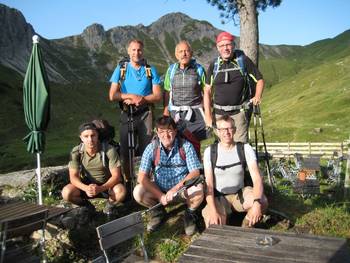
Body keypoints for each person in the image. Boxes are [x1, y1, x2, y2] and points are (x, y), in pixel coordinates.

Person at [133, 116, 204, 236]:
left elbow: (195, 172)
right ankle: (158, 213)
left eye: (169, 130)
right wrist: (160, 195)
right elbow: (142, 177)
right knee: (138, 192)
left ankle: (189, 214)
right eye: (161, 131)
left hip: (181, 190)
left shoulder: (185, 146)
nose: (166, 135)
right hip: (159, 190)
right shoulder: (152, 148)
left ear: (176, 131)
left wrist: (175, 189)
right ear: (157, 132)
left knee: (198, 189)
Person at [109, 39, 162, 190]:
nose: (136, 53)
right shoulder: (121, 69)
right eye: (133, 50)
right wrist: (129, 96)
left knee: (148, 150)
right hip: (127, 114)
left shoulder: (150, 70)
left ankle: (146, 184)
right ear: (128, 51)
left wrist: (143, 99)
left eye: (139, 50)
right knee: (125, 151)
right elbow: (112, 95)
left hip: (146, 114)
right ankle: (128, 182)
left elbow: (158, 95)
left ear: (143, 51)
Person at [201, 115, 268, 228]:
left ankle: (246, 225)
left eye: (229, 128)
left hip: (240, 193)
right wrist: (213, 210)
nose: (226, 132)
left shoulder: (245, 148)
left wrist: (256, 203)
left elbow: (257, 179)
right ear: (217, 131)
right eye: (222, 129)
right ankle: (224, 220)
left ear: (235, 130)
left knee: (263, 202)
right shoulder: (210, 151)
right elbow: (209, 185)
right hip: (219, 196)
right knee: (213, 224)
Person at [204, 31, 265, 143]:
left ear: (233, 45)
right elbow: (207, 90)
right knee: (221, 147)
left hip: (239, 113)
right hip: (218, 114)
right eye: (222, 45)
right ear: (218, 48)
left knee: (240, 146)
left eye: (228, 44)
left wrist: (257, 96)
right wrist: (208, 116)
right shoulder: (214, 65)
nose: (225, 48)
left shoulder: (243, 61)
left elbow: (259, 80)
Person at [62, 122, 126, 214]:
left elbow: (116, 176)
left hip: (107, 185)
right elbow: (73, 177)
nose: (90, 139)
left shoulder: (109, 150)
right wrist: (86, 188)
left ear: (97, 135)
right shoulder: (76, 151)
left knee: (120, 191)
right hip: (86, 185)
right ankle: (86, 206)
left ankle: (110, 206)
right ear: (81, 138)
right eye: (86, 136)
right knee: (66, 192)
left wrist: (100, 188)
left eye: (93, 135)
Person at [163, 40, 207, 141]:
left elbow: (206, 91)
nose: (184, 54)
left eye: (187, 51)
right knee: (176, 143)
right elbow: (167, 91)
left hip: (196, 114)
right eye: (181, 51)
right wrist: (166, 111)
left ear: (191, 53)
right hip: (176, 113)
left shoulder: (199, 69)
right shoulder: (171, 70)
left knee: (195, 144)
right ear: (176, 55)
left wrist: (207, 111)